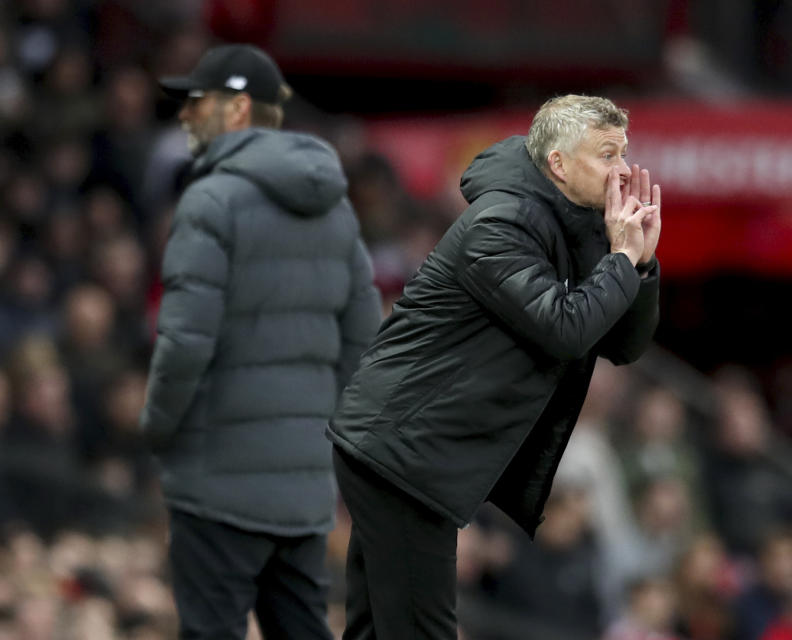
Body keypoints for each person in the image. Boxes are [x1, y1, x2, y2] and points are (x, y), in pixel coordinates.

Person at [328, 94, 662, 639]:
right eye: (607, 154)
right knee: (423, 630)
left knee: (375, 629)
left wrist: (640, 264)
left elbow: (622, 345)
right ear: (558, 164)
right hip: (403, 450)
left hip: (413, 449)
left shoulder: (572, 224)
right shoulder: (500, 222)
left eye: (624, 153)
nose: (622, 170)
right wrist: (620, 260)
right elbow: (567, 330)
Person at [139, 44, 381, 639]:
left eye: (199, 102)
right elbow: (364, 346)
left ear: (239, 108)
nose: (186, 116)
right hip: (301, 489)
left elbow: (184, 342)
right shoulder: (336, 209)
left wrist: (157, 426)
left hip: (216, 479)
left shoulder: (211, 199)